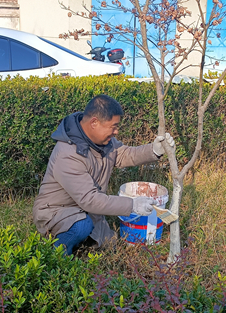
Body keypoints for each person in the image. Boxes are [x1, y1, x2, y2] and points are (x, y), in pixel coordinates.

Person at [33, 94, 174, 255]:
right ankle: (57, 256)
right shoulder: (68, 153)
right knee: (81, 227)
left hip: (85, 210)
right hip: (56, 212)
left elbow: (124, 154)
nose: (116, 131)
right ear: (94, 122)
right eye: (113, 126)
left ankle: (82, 244)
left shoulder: (103, 142)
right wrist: (132, 205)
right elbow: (90, 200)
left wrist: (154, 150)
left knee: (110, 245)